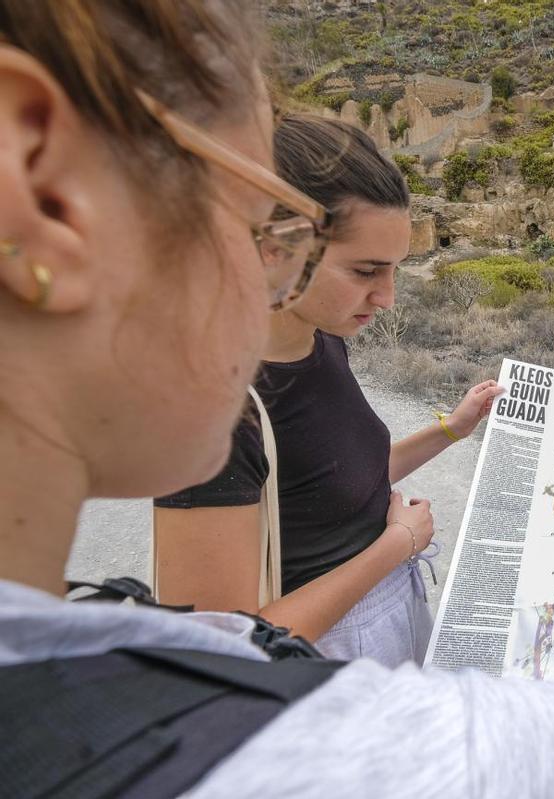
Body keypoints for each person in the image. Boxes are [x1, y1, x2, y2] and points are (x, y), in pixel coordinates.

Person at [0, 3, 554, 798]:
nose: (277, 283)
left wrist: (448, 431)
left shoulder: (85, 667)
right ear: (40, 185)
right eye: (260, 232)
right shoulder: (233, 739)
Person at [153, 114, 501, 667]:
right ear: (274, 249)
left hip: (380, 643)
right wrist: (396, 547)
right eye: (366, 271)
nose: (386, 297)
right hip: (322, 669)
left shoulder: (322, 338)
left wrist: (449, 430)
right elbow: (221, 652)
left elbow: (334, 486)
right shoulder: (217, 409)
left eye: (395, 271)